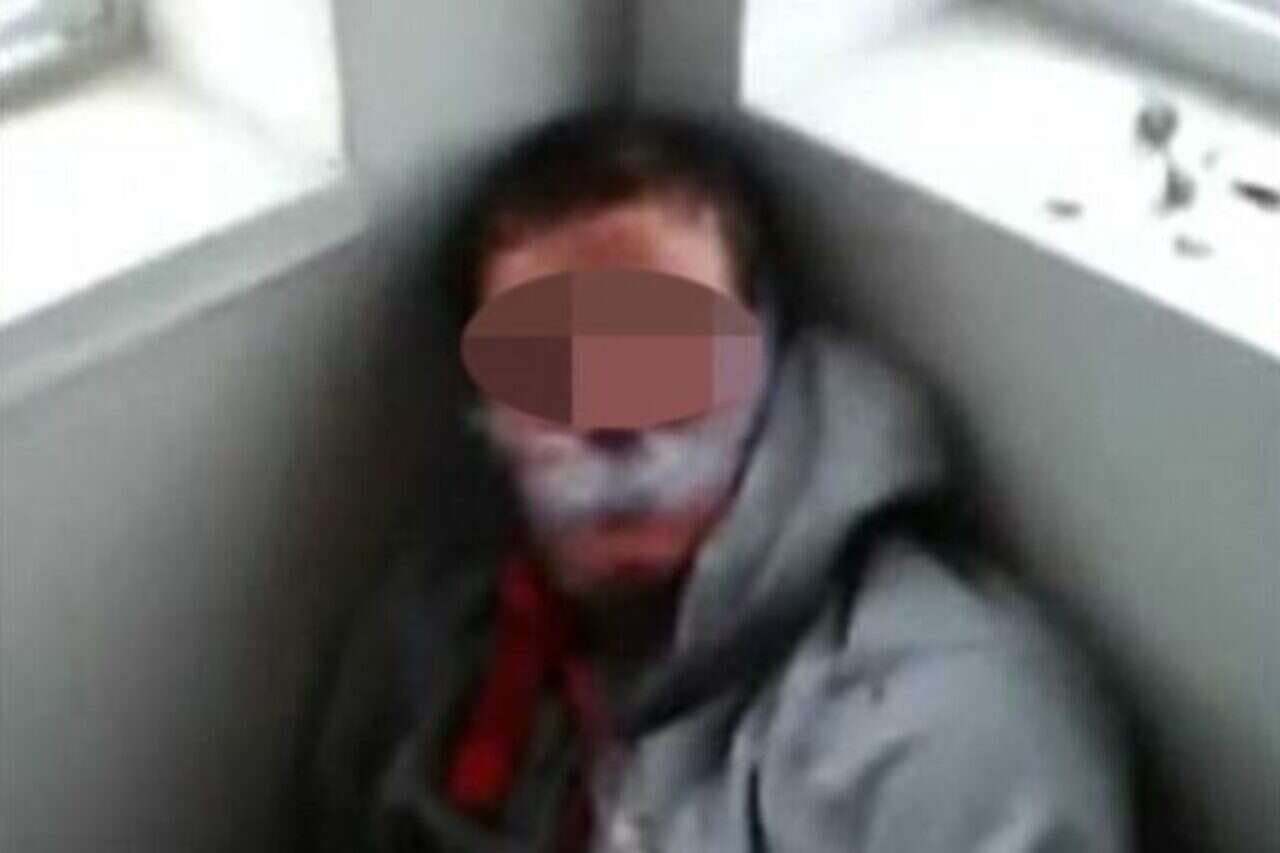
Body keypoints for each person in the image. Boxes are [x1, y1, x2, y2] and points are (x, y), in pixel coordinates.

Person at [307, 109, 1133, 852]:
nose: (614, 423)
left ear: (765, 365)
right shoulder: (438, 655)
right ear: (489, 417)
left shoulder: (939, 729)